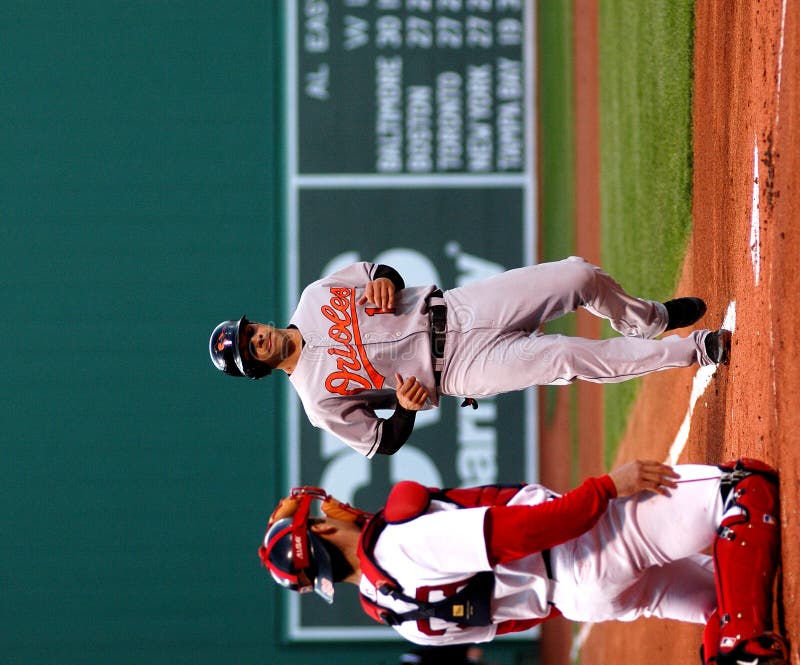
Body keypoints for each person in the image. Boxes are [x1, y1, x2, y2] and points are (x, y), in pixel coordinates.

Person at [258, 459, 787, 665]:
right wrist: (605, 487)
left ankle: (728, 633)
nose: (332, 505)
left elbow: (515, 620)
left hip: (581, 598)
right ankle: (742, 645)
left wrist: (578, 593)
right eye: (321, 511)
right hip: (587, 543)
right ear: (323, 531)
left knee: (722, 594)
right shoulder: (399, 545)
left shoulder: (390, 613)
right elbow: (522, 531)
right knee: (743, 487)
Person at [210, 258, 731, 458]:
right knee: (569, 356)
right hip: (459, 369)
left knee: (578, 276)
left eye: (250, 329)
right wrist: (408, 408)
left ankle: (648, 319)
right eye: (250, 345)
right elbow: (381, 441)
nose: (257, 336)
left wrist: (387, 283)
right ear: (256, 367)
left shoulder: (314, 295)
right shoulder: (316, 402)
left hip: (456, 307)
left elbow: (380, 270)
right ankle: (691, 349)